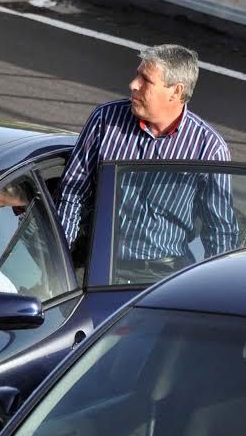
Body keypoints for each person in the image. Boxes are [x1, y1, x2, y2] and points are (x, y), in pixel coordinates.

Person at [56, 44, 238, 282]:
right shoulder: (105, 119)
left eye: (146, 80)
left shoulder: (209, 148)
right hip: (94, 265)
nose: (133, 84)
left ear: (175, 91)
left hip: (161, 277)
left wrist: (219, 289)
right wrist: (59, 264)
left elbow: (220, 231)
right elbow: (72, 194)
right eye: (137, 75)